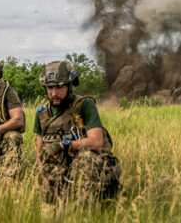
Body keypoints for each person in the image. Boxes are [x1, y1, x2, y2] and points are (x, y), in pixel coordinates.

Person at [34, 61, 121, 202]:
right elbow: (39, 153)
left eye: (59, 87)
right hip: (59, 170)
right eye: (50, 87)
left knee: (86, 159)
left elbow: (97, 142)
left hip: (88, 170)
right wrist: (45, 178)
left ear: (69, 86)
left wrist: (65, 145)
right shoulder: (42, 114)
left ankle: (87, 208)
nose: (54, 93)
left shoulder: (84, 105)